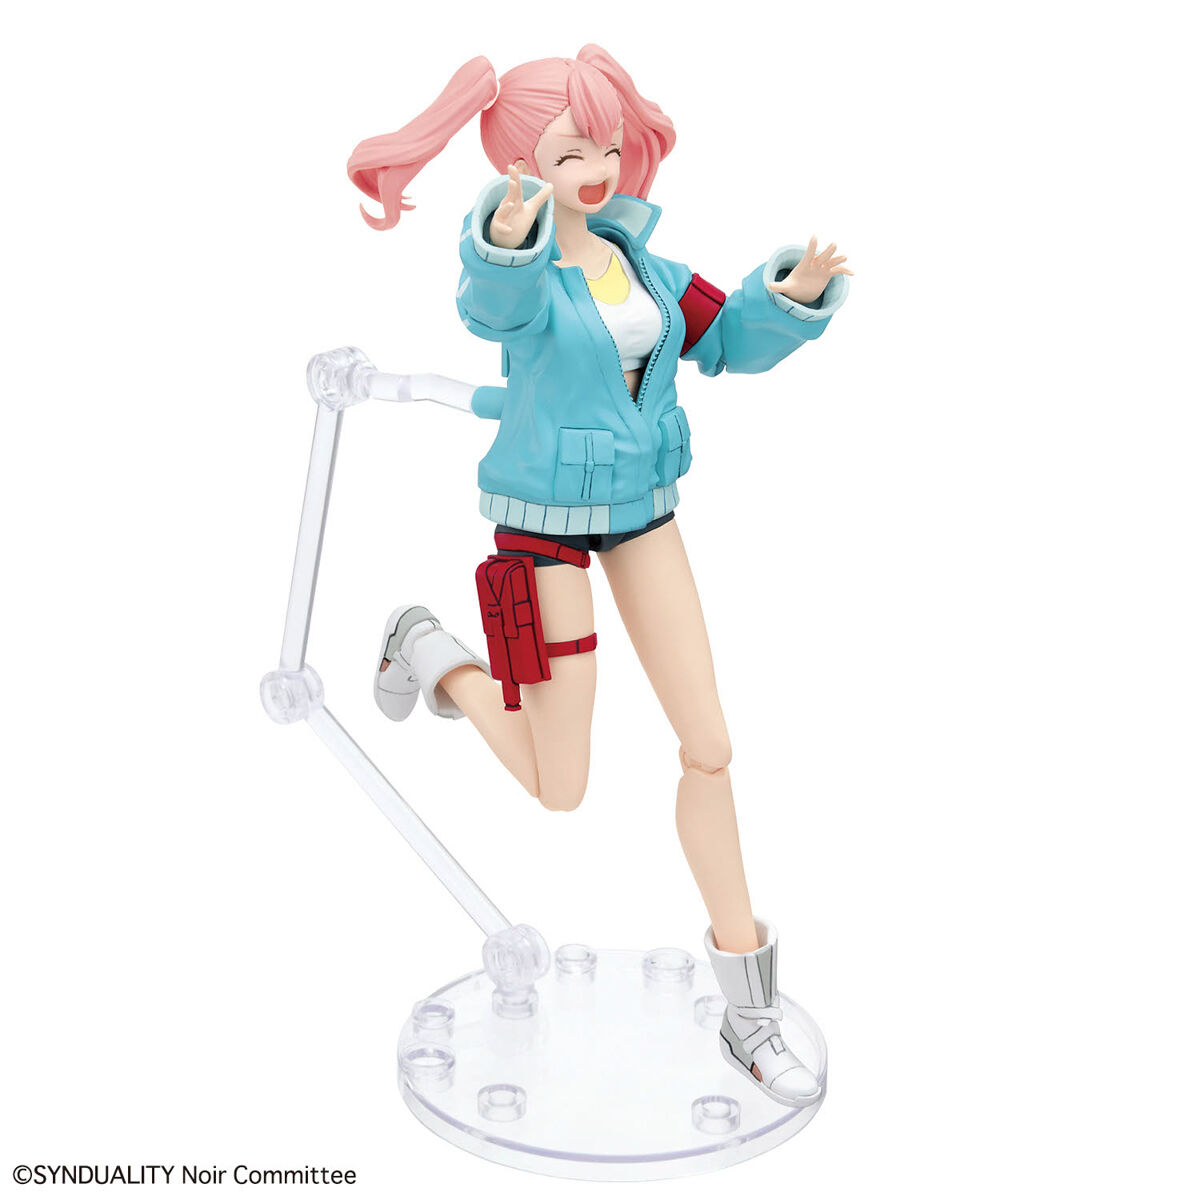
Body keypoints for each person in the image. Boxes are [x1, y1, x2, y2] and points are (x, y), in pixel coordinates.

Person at [347, 47, 851, 1106]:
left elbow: (726, 339)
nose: (597, 169)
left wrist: (790, 296)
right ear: (522, 163)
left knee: (710, 747)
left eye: (609, 147)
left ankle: (749, 1013)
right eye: (571, 151)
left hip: (645, 513)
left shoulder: (649, 270)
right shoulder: (526, 272)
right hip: (541, 531)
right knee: (559, 786)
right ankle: (430, 650)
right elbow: (491, 306)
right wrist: (504, 238)